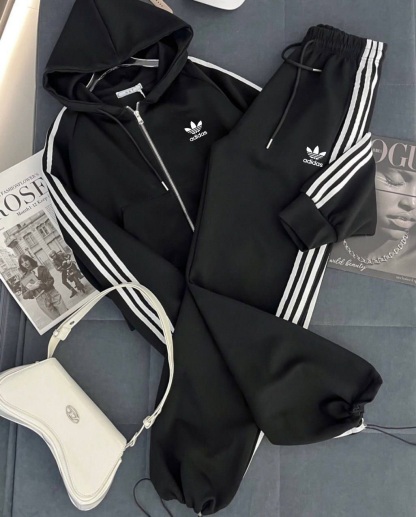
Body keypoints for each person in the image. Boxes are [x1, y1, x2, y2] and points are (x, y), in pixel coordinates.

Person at [18, 255, 67, 320]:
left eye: (26, 260)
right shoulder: (24, 278)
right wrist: (32, 289)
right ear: (21, 265)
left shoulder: (41, 268)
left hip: (52, 293)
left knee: (65, 313)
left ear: (29, 260)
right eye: (22, 262)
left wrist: (42, 285)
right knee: (57, 320)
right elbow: (24, 295)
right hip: (41, 300)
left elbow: (51, 280)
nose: (25, 263)